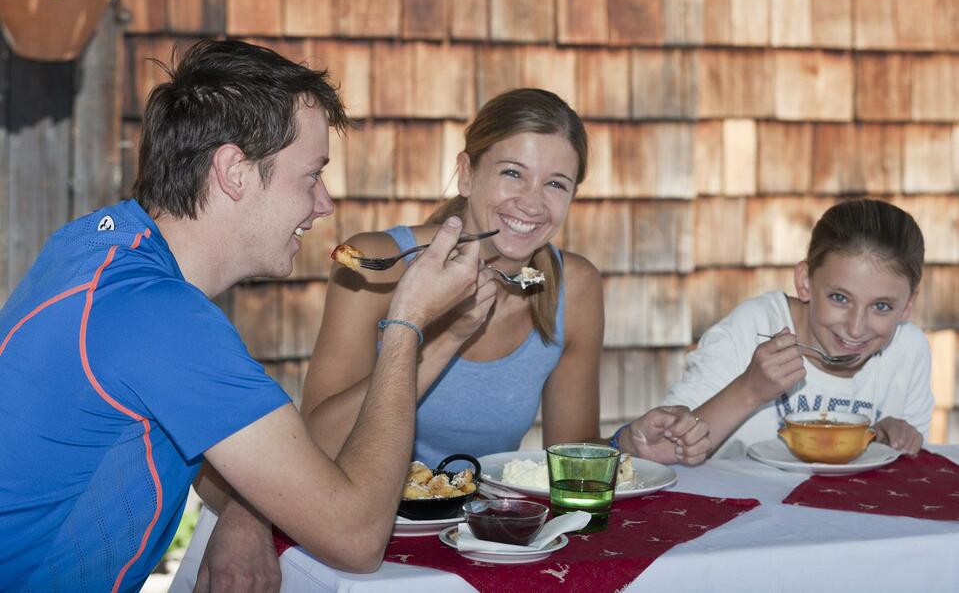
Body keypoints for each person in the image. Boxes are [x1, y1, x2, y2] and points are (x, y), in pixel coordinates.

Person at [0, 39, 482, 592]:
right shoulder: (163, 321)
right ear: (234, 171)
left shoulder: (98, 245)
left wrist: (246, 514)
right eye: (311, 175)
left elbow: (196, 435)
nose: (324, 204)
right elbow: (356, 538)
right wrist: (407, 326)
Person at [192, 88, 710, 591]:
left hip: (479, 540)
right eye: (512, 173)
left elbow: (562, 458)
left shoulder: (577, 285)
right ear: (466, 173)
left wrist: (627, 446)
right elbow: (317, 438)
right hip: (350, 533)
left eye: (557, 184)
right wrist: (435, 334)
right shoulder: (377, 264)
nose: (531, 203)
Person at [664, 198, 932, 458]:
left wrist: (890, 439)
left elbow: (904, 480)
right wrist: (749, 390)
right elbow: (660, 449)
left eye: (882, 306)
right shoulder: (754, 328)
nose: (855, 328)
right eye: (839, 298)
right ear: (804, 282)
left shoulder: (908, 351)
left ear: (908, 304)